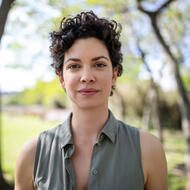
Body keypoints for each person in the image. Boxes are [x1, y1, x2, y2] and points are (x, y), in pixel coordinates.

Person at [14, 11, 168, 190]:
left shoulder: (148, 150)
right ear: (61, 78)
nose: (87, 77)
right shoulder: (31, 155)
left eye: (99, 64)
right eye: (74, 66)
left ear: (114, 74)